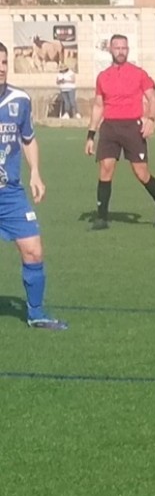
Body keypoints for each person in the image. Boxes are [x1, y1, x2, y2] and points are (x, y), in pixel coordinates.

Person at [0, 42, 68, 330]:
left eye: (4, 62)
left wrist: (35, 173)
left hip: (10, 193)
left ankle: (36, 313)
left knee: (33, 251)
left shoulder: (20, 99)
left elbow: (27, 139)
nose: (1, 68)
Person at [84, 34, 155, 231]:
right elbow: (98, 106)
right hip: (110, 127)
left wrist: (151, 119)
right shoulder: (103, 77)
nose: (120, 51)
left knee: (141, 173)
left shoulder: (139, 74)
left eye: (124, 48)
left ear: (128, 50)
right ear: (110, 50)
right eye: (117, 48)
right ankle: (102, 217)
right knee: (105, 168)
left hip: (133, 127)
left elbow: (153, 99)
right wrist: (90, 135)